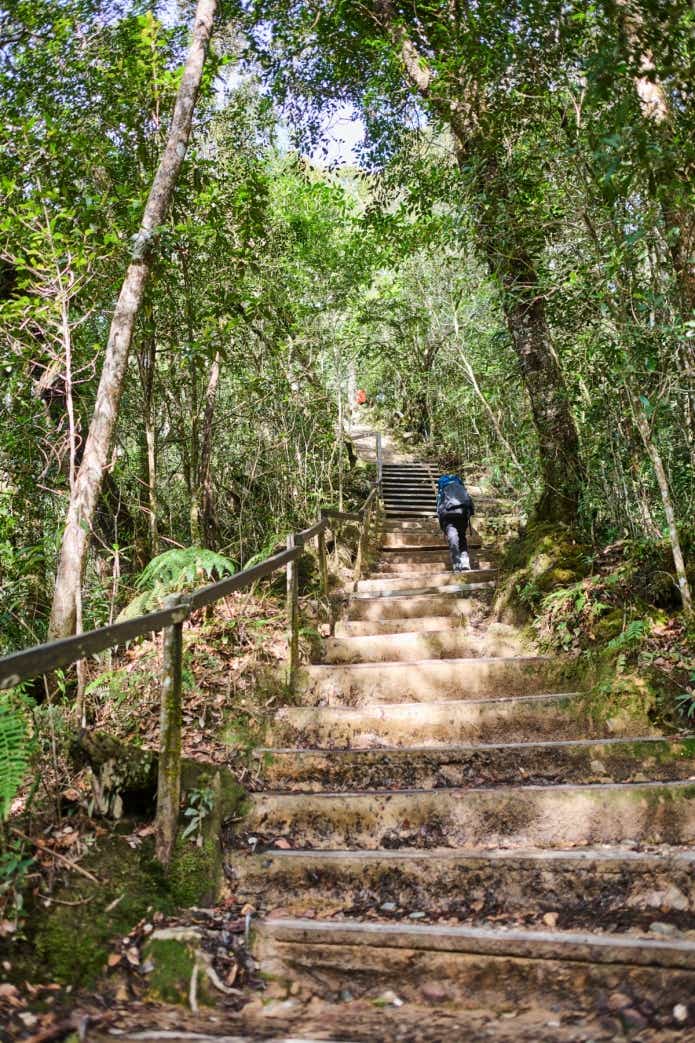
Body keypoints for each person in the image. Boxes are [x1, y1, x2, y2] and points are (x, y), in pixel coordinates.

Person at [436, 474, 475, 572]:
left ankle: (457, 562)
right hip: (462, 513)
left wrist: (442, 526)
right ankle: (465, 561)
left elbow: (439, 508)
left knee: (452, 536)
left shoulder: (443, 491)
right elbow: (470, 502)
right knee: (461, 536)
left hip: (448, 515)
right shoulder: (460, 488)